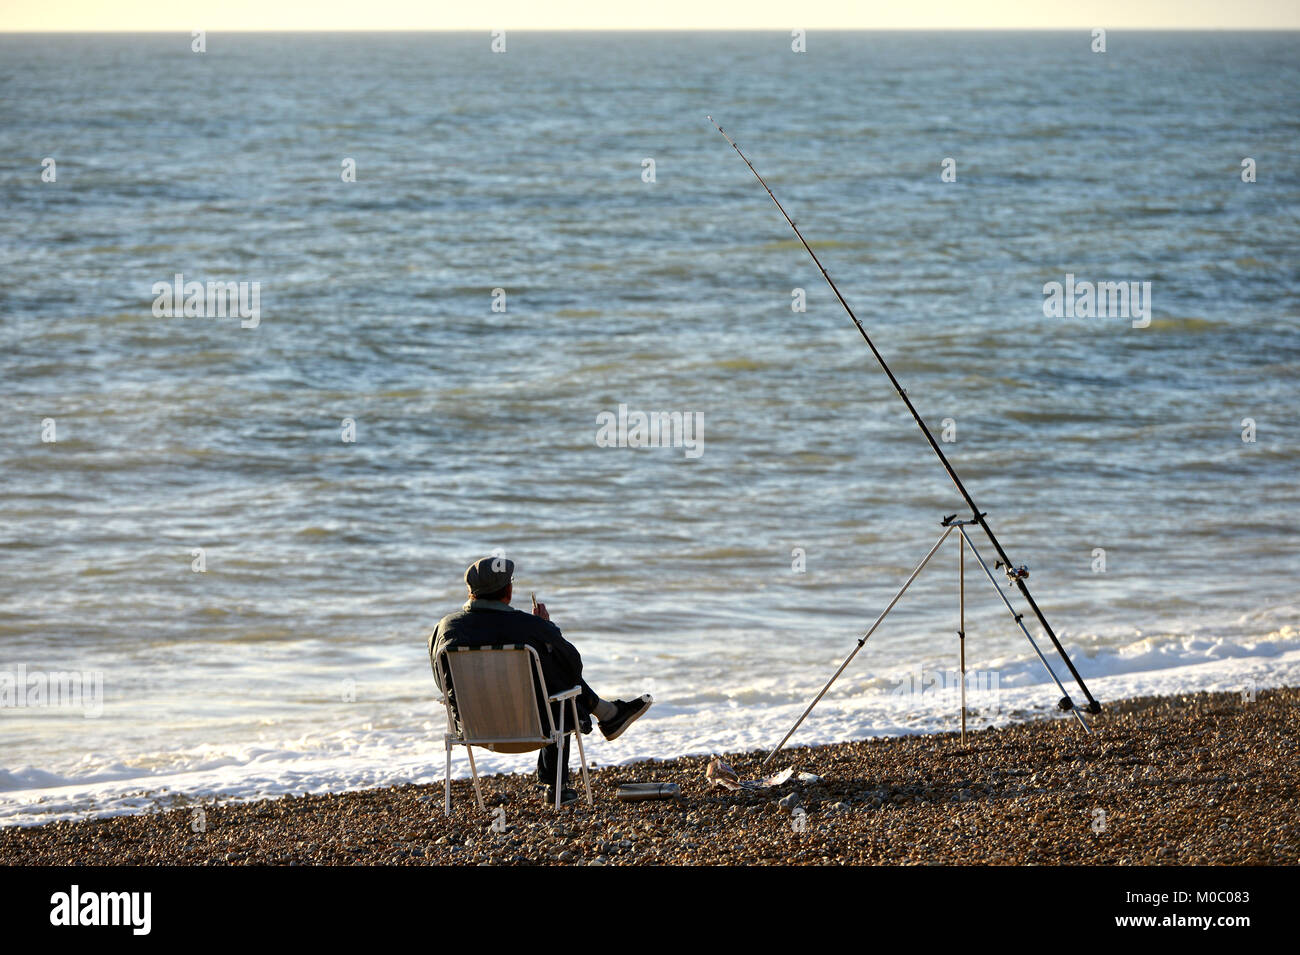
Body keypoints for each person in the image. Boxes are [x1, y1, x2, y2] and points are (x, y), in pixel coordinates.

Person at [429, 556, 652, 805]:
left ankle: (609, 714)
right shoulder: (530, 626)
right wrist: (547, 627)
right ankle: (560, 782)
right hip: (535, 726)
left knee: (553, 680)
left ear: (471, 592)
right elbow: (573, 668)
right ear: (508, 591)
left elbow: (443, 683)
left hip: (473, 728)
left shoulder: (445, 628)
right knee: (561, 687)